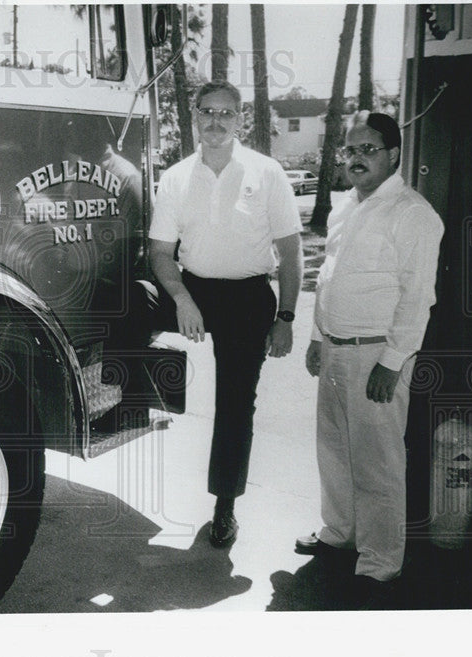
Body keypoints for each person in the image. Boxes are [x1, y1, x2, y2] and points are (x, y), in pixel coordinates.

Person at [149, 81, 303, 547]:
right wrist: (182, 299)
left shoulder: (267, 171)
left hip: (246, 297)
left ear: (241, 120)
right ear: (194, 116)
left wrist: (287, 317)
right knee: (132, 298)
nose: (215, 123)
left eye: (226, 114)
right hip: (192, 290)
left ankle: (225, 507)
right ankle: (119, 396)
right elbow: (159, 253)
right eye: (207, 113)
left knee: (236, 405)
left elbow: (291, 252)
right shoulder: (175, 176)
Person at [295, 111, 443, 596]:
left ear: (393, 155)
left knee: (378, 461)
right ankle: (340, 533)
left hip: (375, 356)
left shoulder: (412, 213)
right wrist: (318, 337)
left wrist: (393, 361)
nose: (356, 159)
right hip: (336, 352)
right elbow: (329, 279)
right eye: (351, 150)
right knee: (334, 450)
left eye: (368, 150)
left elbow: (417, 298)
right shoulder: (344, 207)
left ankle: (380, 560)